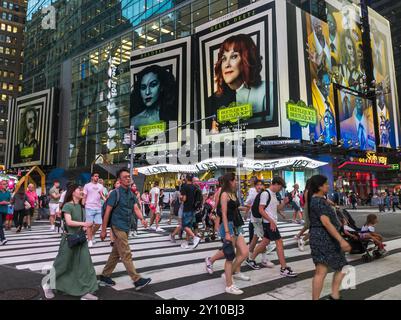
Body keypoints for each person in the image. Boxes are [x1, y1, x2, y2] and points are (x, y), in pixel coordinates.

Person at [42, 184, 99, 300]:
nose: (82, 191)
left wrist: (87, 232)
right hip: (69, 240)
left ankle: (84, 290)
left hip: (80, 240)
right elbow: (69, 222)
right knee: (62, 265)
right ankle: (47, 284)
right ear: (73, 192)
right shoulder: (67, 206)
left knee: (84, 265)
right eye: (79, 189)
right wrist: (84, 224)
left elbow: (82, 223)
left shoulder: (82, 207)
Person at [99, 168, 151, 291]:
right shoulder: (115, 193)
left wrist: (142, 219)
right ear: (119, 180)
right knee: (126, 253)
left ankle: (105, 275)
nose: (128, 178)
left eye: (129, 176)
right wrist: (103, 230)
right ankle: (136, 279)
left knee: (116, 253)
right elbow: (107, 212)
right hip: (117, 226)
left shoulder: (131, 194)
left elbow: (136, 208)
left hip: (126, 226)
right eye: (125, 177)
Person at [207, 34, 267, 130]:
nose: (227, 65)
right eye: (224, 59)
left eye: (234, 56)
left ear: (246, 59)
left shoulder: (267, 91)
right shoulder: (211, 102)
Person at [308, 175, 351, 300]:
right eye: (326, 184)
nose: (328, 185)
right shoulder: (318, 201)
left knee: (321, 271)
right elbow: (326, 222)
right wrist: (341, 240)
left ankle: (333, 295)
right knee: (339, 267)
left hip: (320, 237)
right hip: (325, 238)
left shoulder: (318, 199)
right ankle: (334, 295)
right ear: (319, 186)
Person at [246, 177, 297, 277]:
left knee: (265, 242)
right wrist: (271, 221)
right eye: (280, 187)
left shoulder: (274, 194)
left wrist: (284, 202)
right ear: (276, 184)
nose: (280, 189)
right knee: (279, 242)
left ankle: (251, 259)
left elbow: (277, 208)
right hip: (268, 223)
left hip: (271, 222)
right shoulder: (266, 193)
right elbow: (261, 209)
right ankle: (284, 268)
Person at [219, 172, 249, 295]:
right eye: (235, 180)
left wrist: (244, 208)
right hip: (228, 226)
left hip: (237, 225)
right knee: (230, 257)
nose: (237, 182)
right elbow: (224, 214)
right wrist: (227, 232)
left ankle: (228, 274)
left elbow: (234, 208)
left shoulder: (233, 194)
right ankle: (229, 285)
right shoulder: (224, 194)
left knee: (244, 252)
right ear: (229, 181)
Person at [246, 179, 275, 268]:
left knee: (255, 238)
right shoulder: (253, 194)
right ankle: (263, 259)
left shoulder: (264, 193)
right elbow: (246, 203)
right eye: (257, 185)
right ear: (255, 186)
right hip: (256, 219)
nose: (259, 186)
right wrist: (252, 208)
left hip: (260, 219)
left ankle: (248, 256)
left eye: (261, 185)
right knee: (264, 240)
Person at [179, 175, 201, 250]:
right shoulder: (195, 187)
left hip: (187, 208)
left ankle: (195, 238)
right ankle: (186, 242)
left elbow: (184, 199)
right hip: (193, 208)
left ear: (186, 179)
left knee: (184, 226)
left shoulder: (184, 187)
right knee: (189, 226)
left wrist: (180, 197)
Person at [83, 173, 104, 247]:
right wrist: (83, 204)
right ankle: (90, 240)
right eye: (95, 176)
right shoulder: (87, 185)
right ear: (92, 177)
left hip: (98, 207)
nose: (97, 177)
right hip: (89, 206)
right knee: (89, 224)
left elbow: (101, 195)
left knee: (98, 223)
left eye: (98, 176)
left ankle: (91, 234)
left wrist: (104, 199)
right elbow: (84, 196)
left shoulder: (100, 186)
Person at [0, 180, 11, 245]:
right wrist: (1, 203)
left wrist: (7, 202)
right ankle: (3, 239)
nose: (5, 185)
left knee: (1, 225)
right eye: (3, 184)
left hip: (5, 211)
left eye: (6, 184)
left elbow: (11, 201)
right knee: (0, 225)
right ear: (0, 185)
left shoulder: (8, 193)